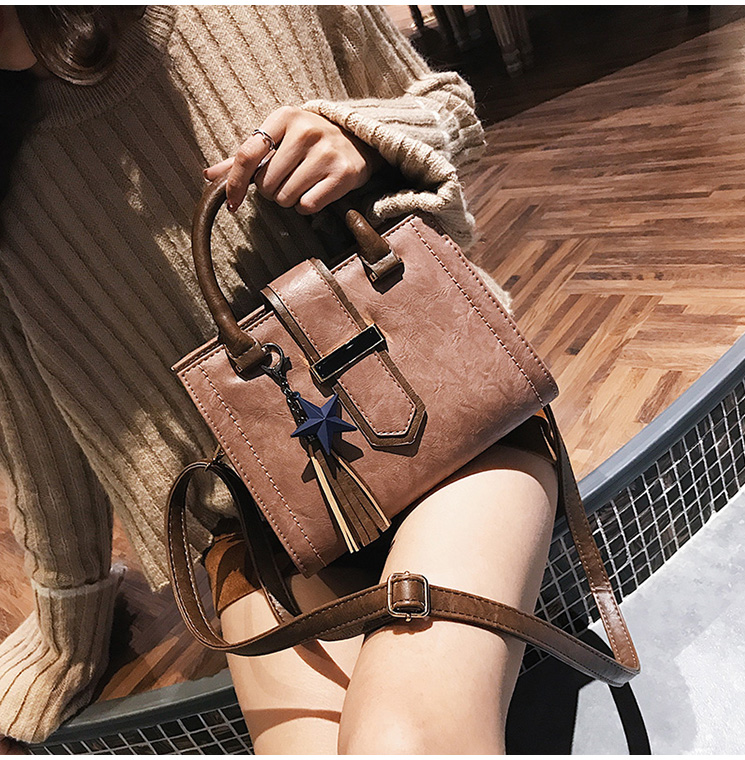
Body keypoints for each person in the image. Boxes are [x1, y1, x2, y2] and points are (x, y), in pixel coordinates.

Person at [0, 5, 557, 753]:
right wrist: (67, 629)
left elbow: (448, 105)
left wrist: (365, 137)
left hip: (448, 418)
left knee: (403, 739)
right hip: (253, 522)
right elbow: (36, 433)